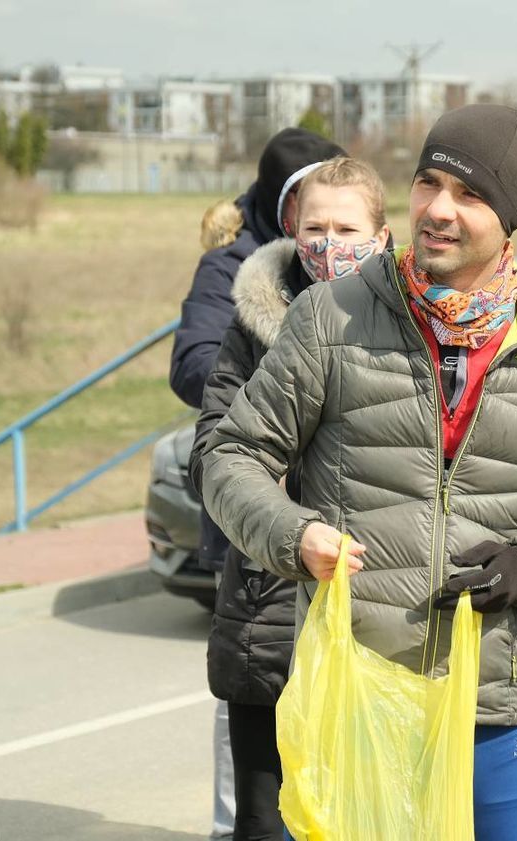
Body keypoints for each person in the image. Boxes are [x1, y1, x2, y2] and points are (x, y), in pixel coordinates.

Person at [198, 104, 517, 840]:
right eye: (428, 183)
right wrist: (292, 533)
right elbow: (230, 456)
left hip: (487, 701)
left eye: (468, 194)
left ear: (510, 219)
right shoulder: (331, 319)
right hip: (353, 698)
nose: (437, 209)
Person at [189, 157, 390, 841]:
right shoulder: (252, 329)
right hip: (267, 613)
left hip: (377, 613)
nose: (330, 243)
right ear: (291, 229)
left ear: (383, 235)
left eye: (347, 227)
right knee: (265, 824)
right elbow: (216, 453)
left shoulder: (407, 329)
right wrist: (288, 513)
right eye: (316, 227)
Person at [169, 127, 345, 841]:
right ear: (285, 206)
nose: (328, 235)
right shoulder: (235, 271)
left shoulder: (373, 289)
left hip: (335, 541)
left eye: (344, 221)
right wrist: (284, 385)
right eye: (311, 214)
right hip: (252, 514)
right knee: (253, 682)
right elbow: (194, 367)